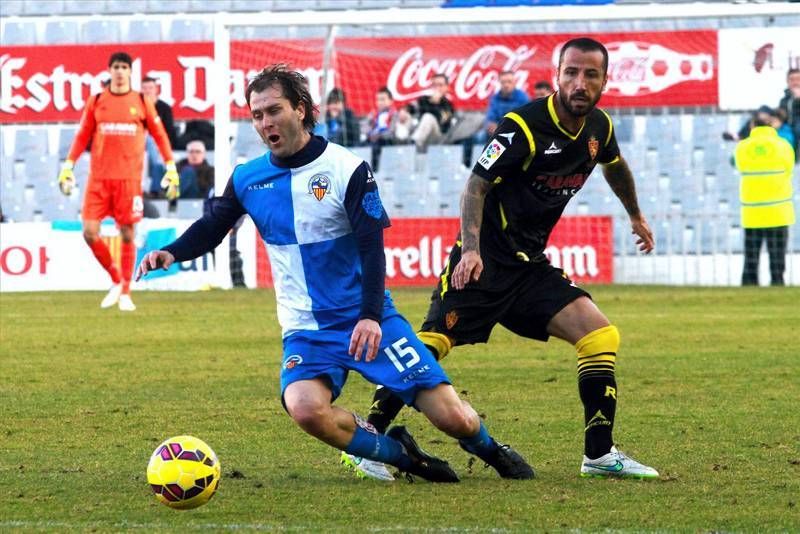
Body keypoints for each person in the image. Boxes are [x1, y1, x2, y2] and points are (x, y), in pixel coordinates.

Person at [136, 64, 533, 483]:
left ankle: (491, 449)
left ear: (302, 110)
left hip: (367, 316)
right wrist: (171, 251)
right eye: (257, 115)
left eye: (274, 110)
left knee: (454, 418)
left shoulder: (347, 169)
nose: (265, 122)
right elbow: (213, 227)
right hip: (306, 329)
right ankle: (404, 457)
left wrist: (369, 316)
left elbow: (372, 248)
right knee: (305, 407)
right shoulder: (248, 179)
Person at [362, 38, 660, 480]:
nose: (580, 83)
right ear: (558, 75)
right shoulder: (521, 126)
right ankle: (368, 438)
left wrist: (635, 214)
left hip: (530, 268)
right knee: (433, 346)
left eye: (590, 75)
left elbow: (614, 164)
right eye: (571, 72)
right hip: (484, 263)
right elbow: (476, 185)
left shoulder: (599, 128)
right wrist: (472, 251)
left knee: (599, 335)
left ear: (604, 80)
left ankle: (599, 456)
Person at [58, 51, 178, 312]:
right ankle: (116, 279)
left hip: (128, 181)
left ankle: (125, 291)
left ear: (130, 72)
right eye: (116, 67)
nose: (120, 71)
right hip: (98, 180)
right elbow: (82, 136)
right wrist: (68, 165)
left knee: (127, 234)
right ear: (110, 71)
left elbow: (159, 135)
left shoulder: (142, 101)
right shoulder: (97, 100)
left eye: (125, 67)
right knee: (89, 232)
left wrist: (170, 166)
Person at [734, 115, 795, 286]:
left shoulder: (743, 147)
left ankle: (749, 284)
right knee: (777, 255)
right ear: (771, 127)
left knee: (751, 255)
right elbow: (789, 168)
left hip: (752, 212)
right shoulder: (783, 145)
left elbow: (737, 165)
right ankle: (777, 283)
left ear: (753, 126)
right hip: (778, 211)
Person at [141, 76, 177, 196]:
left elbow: (169, 132)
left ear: (156, 89)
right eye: (144, 88)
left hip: (157, 145)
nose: (147, 91)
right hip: (139, 144)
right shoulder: (137, 107)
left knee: (155, 155)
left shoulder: (164, 108)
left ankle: (154, 191)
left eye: (150, 88)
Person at [407, 73, 456, 152]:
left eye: (440, 85)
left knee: (428, 117)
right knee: (405, 116)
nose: (437, 88)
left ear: (446, 87)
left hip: (438, 137)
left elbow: (444, 125)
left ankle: (413, 144)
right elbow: (410, 109)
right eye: (434, 85)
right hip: (420, 132)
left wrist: (435, 103)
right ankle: (404, 143)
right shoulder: (424, 99)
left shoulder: (447, 104)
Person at [483, 71, 529, 138]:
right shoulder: (495, 98)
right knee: (480, 136)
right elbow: (490, 117)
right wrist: (491, 125)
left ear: (515, 83)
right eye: (503, 82)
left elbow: (526, 119)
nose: (506, 85)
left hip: (517, 131)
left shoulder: (523, 98)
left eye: (509, 82)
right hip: (498, 131)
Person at [367, 86, 400, 172]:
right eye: (378, 100)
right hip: (375, 139)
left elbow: (392, 131)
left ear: (390, 101)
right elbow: (366, 128)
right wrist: (369, 132)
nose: (380, 102)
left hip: (387, 140)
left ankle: (374, 171)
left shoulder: (394, 114)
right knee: (361, 144)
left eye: (383, 99)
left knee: (377, 144)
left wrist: (379, 135)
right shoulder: (374, 115)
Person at [777, 68, 800, 160]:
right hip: (787, 127)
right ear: (787, 82)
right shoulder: (784, 100)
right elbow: (781, 116)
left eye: (798, 79)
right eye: (792, 79)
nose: (795, 82)